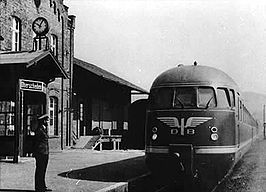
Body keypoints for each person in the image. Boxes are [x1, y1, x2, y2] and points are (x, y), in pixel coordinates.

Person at [33, 114, 52, 192]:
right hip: (41, 153)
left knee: (43, 171)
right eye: (47, 120)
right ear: (43, 121)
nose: (48, 122)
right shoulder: (39, 130)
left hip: (44, 153)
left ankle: (42, 186)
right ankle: (39, 187)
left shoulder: (43, 129)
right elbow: (36, 143)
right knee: (40, 170)